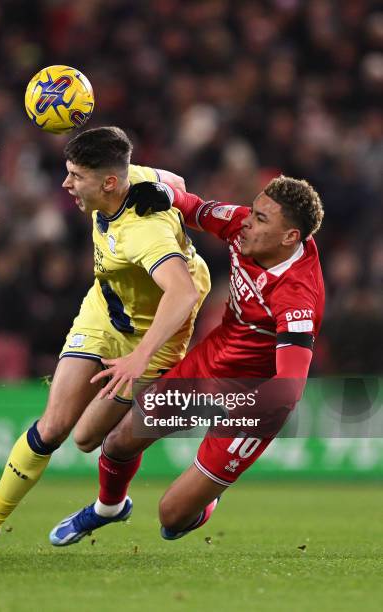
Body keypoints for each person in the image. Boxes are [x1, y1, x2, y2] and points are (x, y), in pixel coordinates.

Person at [0, 127, 210, 556]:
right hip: (104, 310)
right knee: (53, 427)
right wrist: (164, 185)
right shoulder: (126, 180)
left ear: (108, 182)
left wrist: (139, 359)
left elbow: (183, 292)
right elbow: (174, 180)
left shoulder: (143, 233)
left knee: (88, 439)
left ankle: (115, 503)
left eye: (75, 176)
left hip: (155, 333)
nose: (66, 184)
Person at [52, 175, 325, 544]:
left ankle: (206, 497)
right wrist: (164, 193)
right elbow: (195, 207)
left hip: (256, 400)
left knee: (171, 519)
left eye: (261, 218)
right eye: (253, 210)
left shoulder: (297, 295)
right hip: (213, 362)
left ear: (289, 237)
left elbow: (289, 386)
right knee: (117, 443)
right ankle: (108, 507)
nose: (246, 221)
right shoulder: (240, 225)